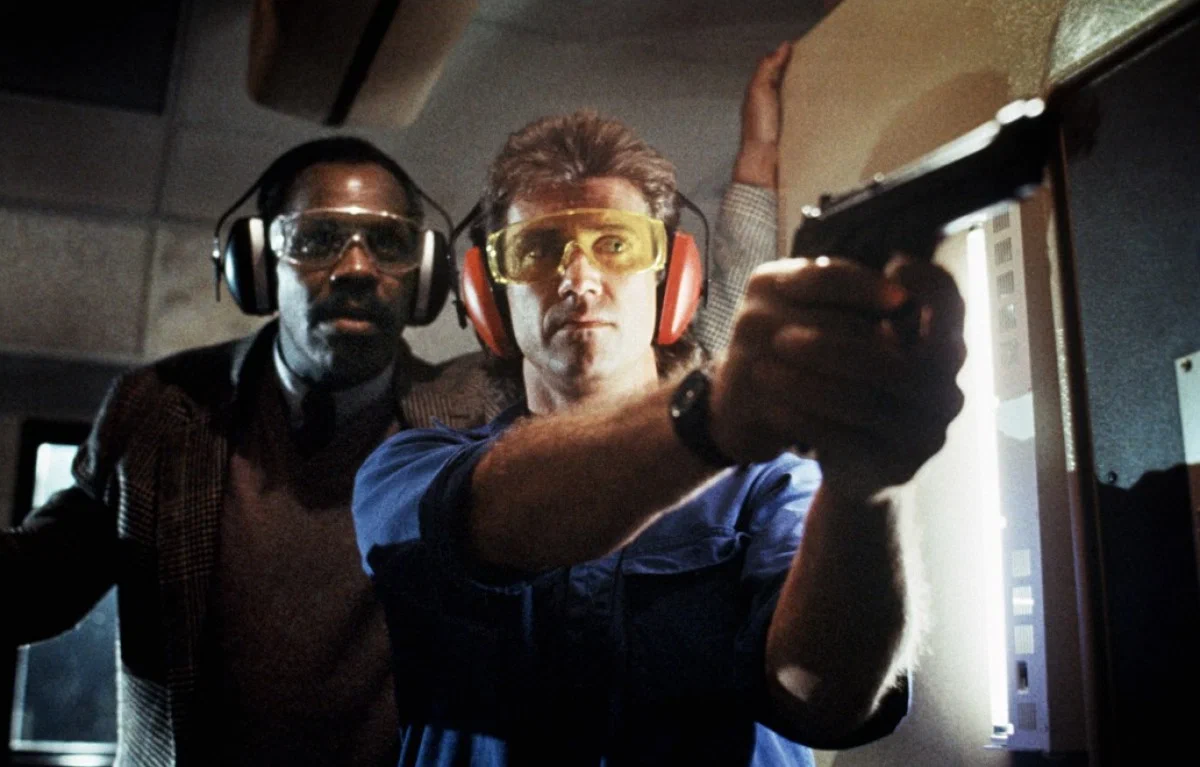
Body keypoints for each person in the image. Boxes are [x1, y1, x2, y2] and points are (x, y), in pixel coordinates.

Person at [351, 44, 967, 766]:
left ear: (672, 281)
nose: (579, 279)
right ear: (487, 294)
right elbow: (482, 520)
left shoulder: (771, 482)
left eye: (615, 244)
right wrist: (714, 414)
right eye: (538, 249)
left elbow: (821, 694)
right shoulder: (404, 470)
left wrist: (865, 490)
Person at [0, 137, 506, 766]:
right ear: (259, 264)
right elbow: (32, 586)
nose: (356, 267)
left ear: (425, 277)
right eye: (318, 239)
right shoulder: (157, 407)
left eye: (389, 242)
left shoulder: (479, 417)